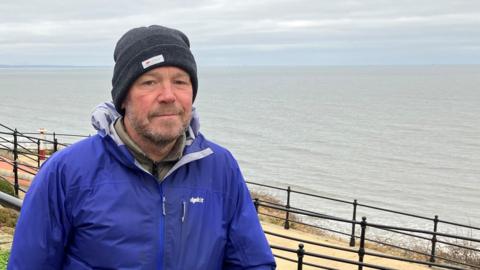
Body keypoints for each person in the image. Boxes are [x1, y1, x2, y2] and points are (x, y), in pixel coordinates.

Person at [8, 25, 276, 270]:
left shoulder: (220, 166)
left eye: (180, 81)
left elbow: (252, 263)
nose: (168, 96)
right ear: (123, 97)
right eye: (149, 82)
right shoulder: (66, 173)